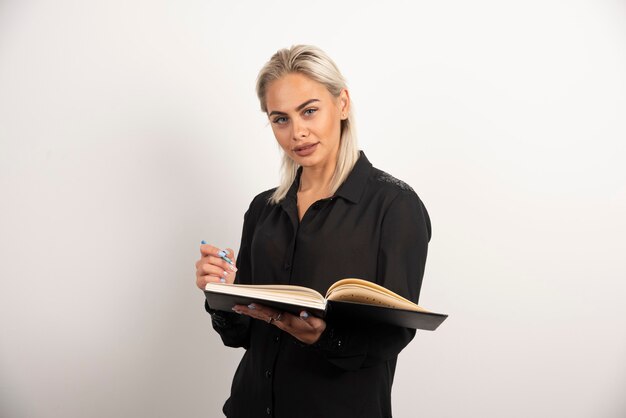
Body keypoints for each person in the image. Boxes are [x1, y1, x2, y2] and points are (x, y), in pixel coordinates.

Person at [195, 44, 432, 418]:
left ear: (342, 104)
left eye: (309, 111)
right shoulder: (263, 209)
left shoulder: (394, 205)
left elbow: (394, 336)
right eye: (281, 119)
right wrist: (221, 290)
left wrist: (325, 337)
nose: (298, 133)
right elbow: (239, 335)